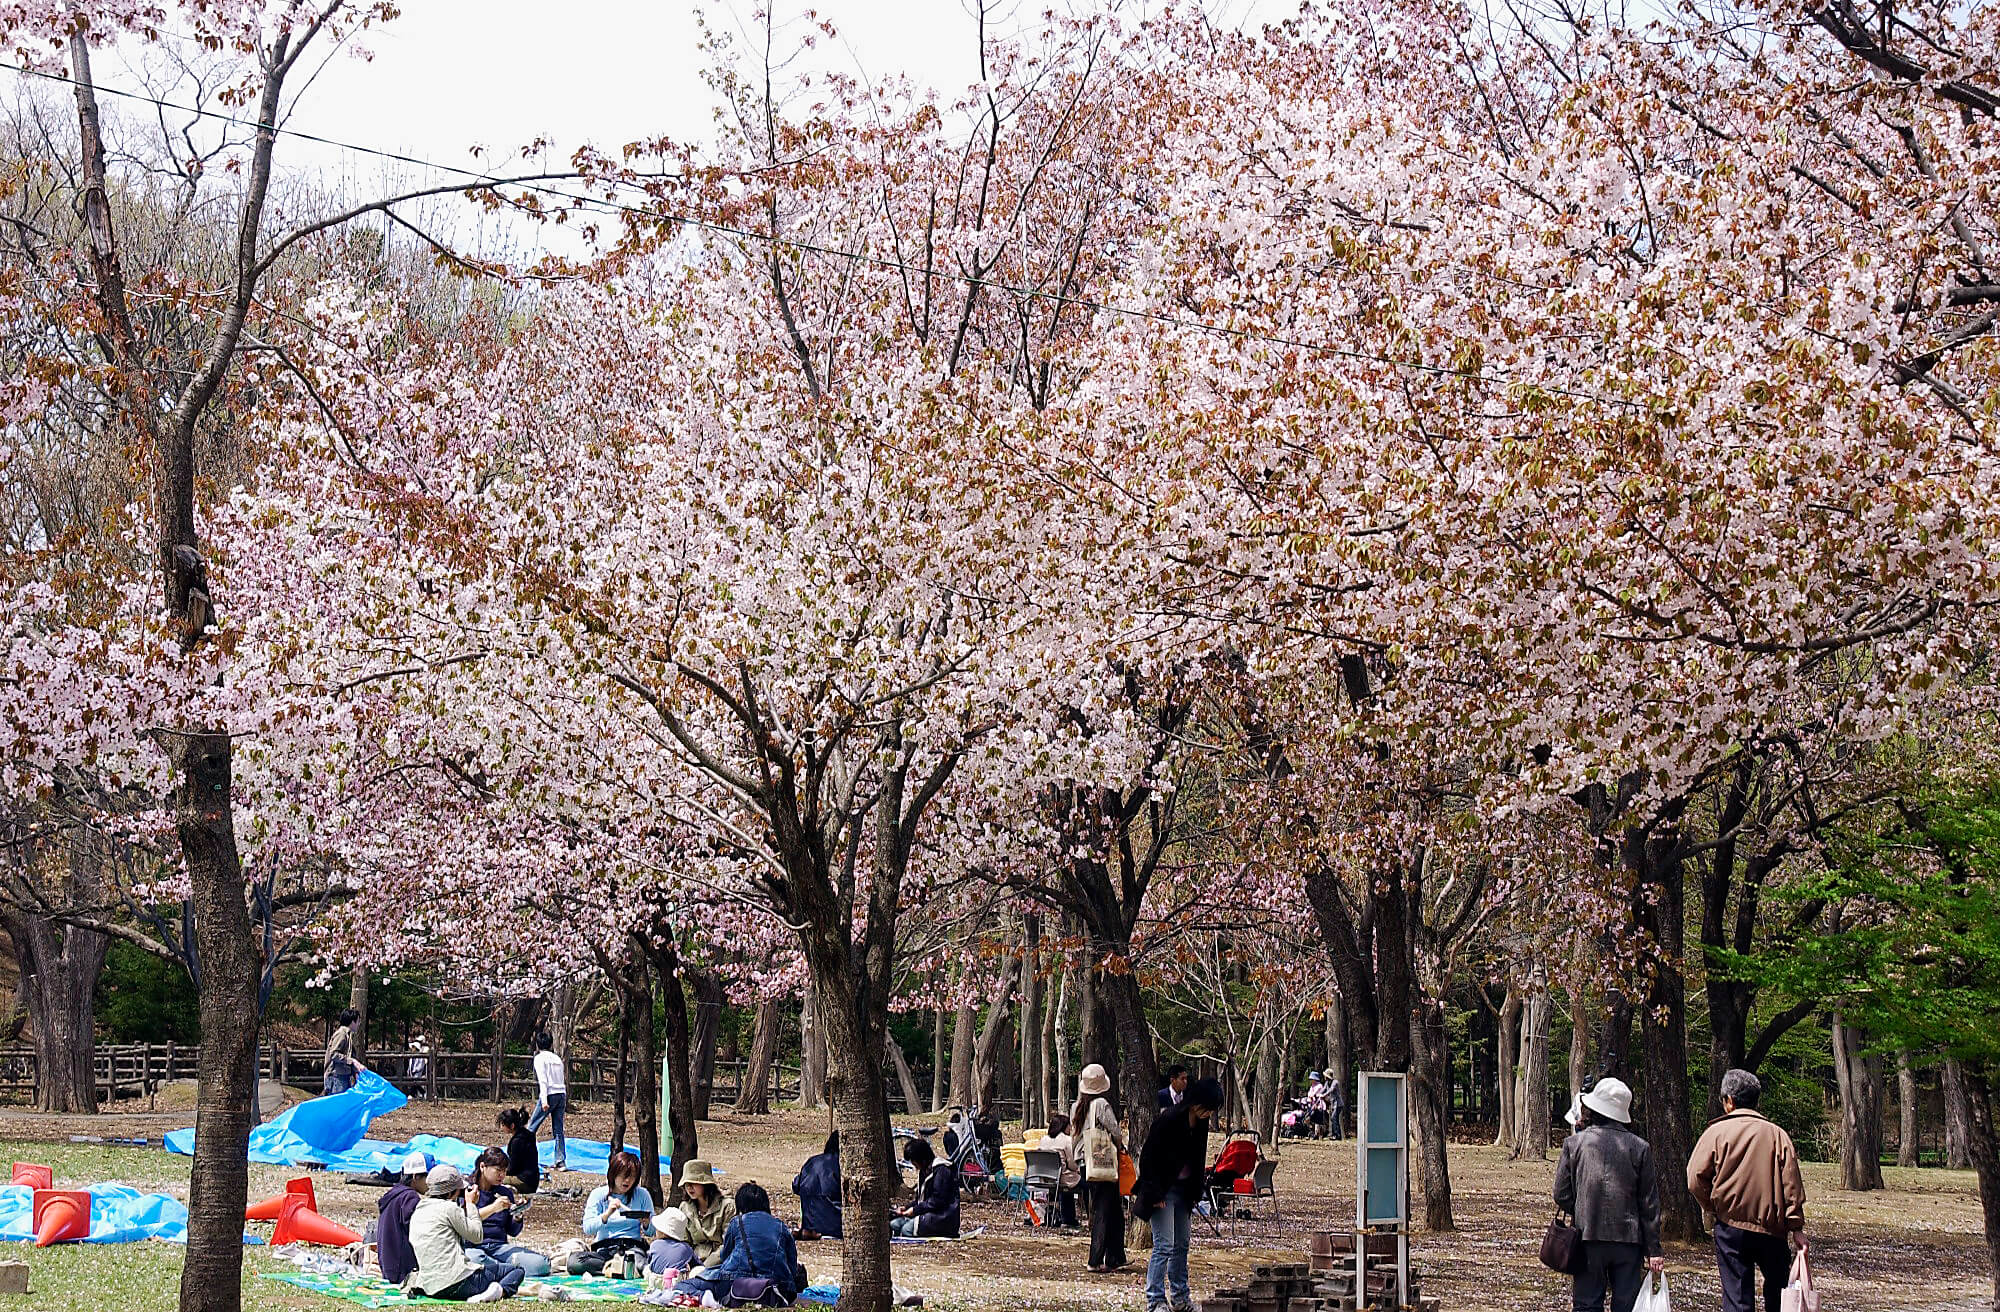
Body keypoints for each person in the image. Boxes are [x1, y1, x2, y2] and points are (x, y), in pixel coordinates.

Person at [1689, 1069, 1809, 1312]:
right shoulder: (1778, 1135)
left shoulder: (1716, 1133)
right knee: (1778, 1295)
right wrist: (1796, 1227)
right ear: (1757, 1100)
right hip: (1773, 1230)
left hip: (1730, 1227)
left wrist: (1712, 1206)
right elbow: (1792, 1186)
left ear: (1729, 1102)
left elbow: (1694, 1178)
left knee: (1737, 1297)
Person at [1553, 1077, 1665, 1312]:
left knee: (1586, 1305)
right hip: (1629, 1241)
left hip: (1587, 1237)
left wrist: (1582, 1207)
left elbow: (1561, 1193)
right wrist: (1653, 1249)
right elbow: (1649, 1204)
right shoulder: (1640, 1147)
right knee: (1626, 1305)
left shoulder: (1574, 1144)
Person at [1133, 1075, 1224, 1312]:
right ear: (1197, 1103)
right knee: (1164, 1245)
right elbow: (1148, 1158)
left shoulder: (1200, 1125)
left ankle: (1181, 1297)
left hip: (1184, 1191)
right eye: (1208, 1109)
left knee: (1181, 1244)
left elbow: (1198, 1157)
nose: (1209, 1115)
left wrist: (1196, 1191)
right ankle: (1155, 1300)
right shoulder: (1170, 1118)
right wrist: (1154, 1194)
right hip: (1161, 1189)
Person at [405, 1163, 525, 1302]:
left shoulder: (419, 1209)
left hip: (429, 1286)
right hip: (458, 1283)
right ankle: (499, 1292)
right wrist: (471, 1204)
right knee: (516, 1270)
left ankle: (492, 1290)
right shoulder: (449, 1208)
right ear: (451, 1191)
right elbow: (476, 1236)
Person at [674, 1182, 808, 1306]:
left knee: (683, 1286)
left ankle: (705, 1297)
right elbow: (791, 1263)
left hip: (735, 1282)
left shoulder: (737, 1222)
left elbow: (725, 1255)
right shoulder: (781, 1226)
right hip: (777, 1288)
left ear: (740, 1205)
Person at [1071, 1063, 1128, 1273]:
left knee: (1111, 1210)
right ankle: (1095, 1259)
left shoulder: (1077, 1107)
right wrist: (1120, 1147)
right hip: (1102, 1165)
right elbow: (1115, 1130)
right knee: (1104, 1211)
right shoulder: (1101, 1104)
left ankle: (1115, 1257)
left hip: (1086, 1165)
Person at [469, 1146, 550, 1277]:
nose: (502, 1175)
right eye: (498, 1170)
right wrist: (493, 1208)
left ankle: (498, 1269)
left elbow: (512, 1231)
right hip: (473, 1247)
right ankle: (506, 1269)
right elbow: (464, 1221)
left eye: (505, 1171)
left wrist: (517, 1215)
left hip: (499, 1247)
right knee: (475, 1259)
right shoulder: (467, 1191)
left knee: (541, 1264)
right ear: (483, 1166)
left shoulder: (504, 1192)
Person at [576, 1149, 657, 1277]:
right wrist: (606, 1214)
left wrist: (647, 1223)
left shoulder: (642, 1195)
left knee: (639, 1261)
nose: (627, 1181)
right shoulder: (598, 1195)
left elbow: (651, 1232)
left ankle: (619, 1268)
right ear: (613, 1174)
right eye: (624, 1175)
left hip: (632, 1248)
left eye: (632, 1177)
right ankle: (620, 1268)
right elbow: (588, 1228)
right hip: (605, 1250)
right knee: (576, 1262)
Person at [375, 1151, 430, 1286]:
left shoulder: (394, 1194)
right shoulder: (409, 1197)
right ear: (416, 1177)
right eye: (428, 1178)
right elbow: (417, 1231)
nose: (430, 1184)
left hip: (389, 1266)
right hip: (401, 1270)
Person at [671, 1159, 737, 1268]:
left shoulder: (727, 1207)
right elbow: (684, 1243)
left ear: (706, 1184)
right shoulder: (685, 1208)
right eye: (687, 1183)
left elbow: (728, 1244)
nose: (689, 1187)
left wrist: (705, 1267)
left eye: (694, 1182)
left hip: (722, 1264)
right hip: (693, 1263)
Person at [892, 1137, 960, 1238]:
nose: (914, 1166)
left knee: (906, 1229)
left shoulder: (941, 1171)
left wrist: (915, 1210)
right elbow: (920, 1199)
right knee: (895, 1225)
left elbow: (937, 1201)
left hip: (942, 1217)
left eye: (914, 1162)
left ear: (922, 1159)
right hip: (927, 1214)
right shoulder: (924, 1172)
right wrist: (906, 1208)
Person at [527, 1032, 567, 1173]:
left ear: (537, 1044)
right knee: (558, 1129)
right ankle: (560, 1161)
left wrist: (544, 1100)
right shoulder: (557, 1058)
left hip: (549, 1095)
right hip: (561, 1094)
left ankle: (528, 1158)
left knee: (531, 1127)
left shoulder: (539, 1058)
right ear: (550, 1044)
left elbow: (543, 1081)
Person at [793, 1131, 843, 1240]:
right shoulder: (843, 1165)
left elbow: (796, 1185)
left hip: (810, 1225)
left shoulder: (811, 1162)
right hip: (837, 1227)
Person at [1040, 1112, 1080, 1229]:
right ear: (1064, 1126)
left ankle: (1068, 1218)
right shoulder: (1067, 1140)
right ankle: (1072, 1218)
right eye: (1069, 1126)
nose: (1071, 1128)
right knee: (1087, 1184)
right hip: (1062, 1178)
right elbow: (1073, 1164)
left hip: (1045, 1178)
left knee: (1065, 1186)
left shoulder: (1044, 1139)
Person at [496, 1107, 540, 1195]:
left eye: (503, 1125)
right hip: (533, 1179)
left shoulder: (517, 1141)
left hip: (524, 1181)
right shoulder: (528, 1134)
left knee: (493, 1179)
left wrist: (499, 1172)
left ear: (512, 1126)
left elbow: (513, 1168)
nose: (502, 1127)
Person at [324, 1008, 367, 1096]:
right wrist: (351, 1061)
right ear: (352, 1022)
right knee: (338, 1107)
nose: (359, 1024)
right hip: (337, 1077)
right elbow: (333, 1054)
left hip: (342, 1076)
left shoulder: (347, 1035)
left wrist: (356, 1069)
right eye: (358, 1021)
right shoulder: (341, 1034)